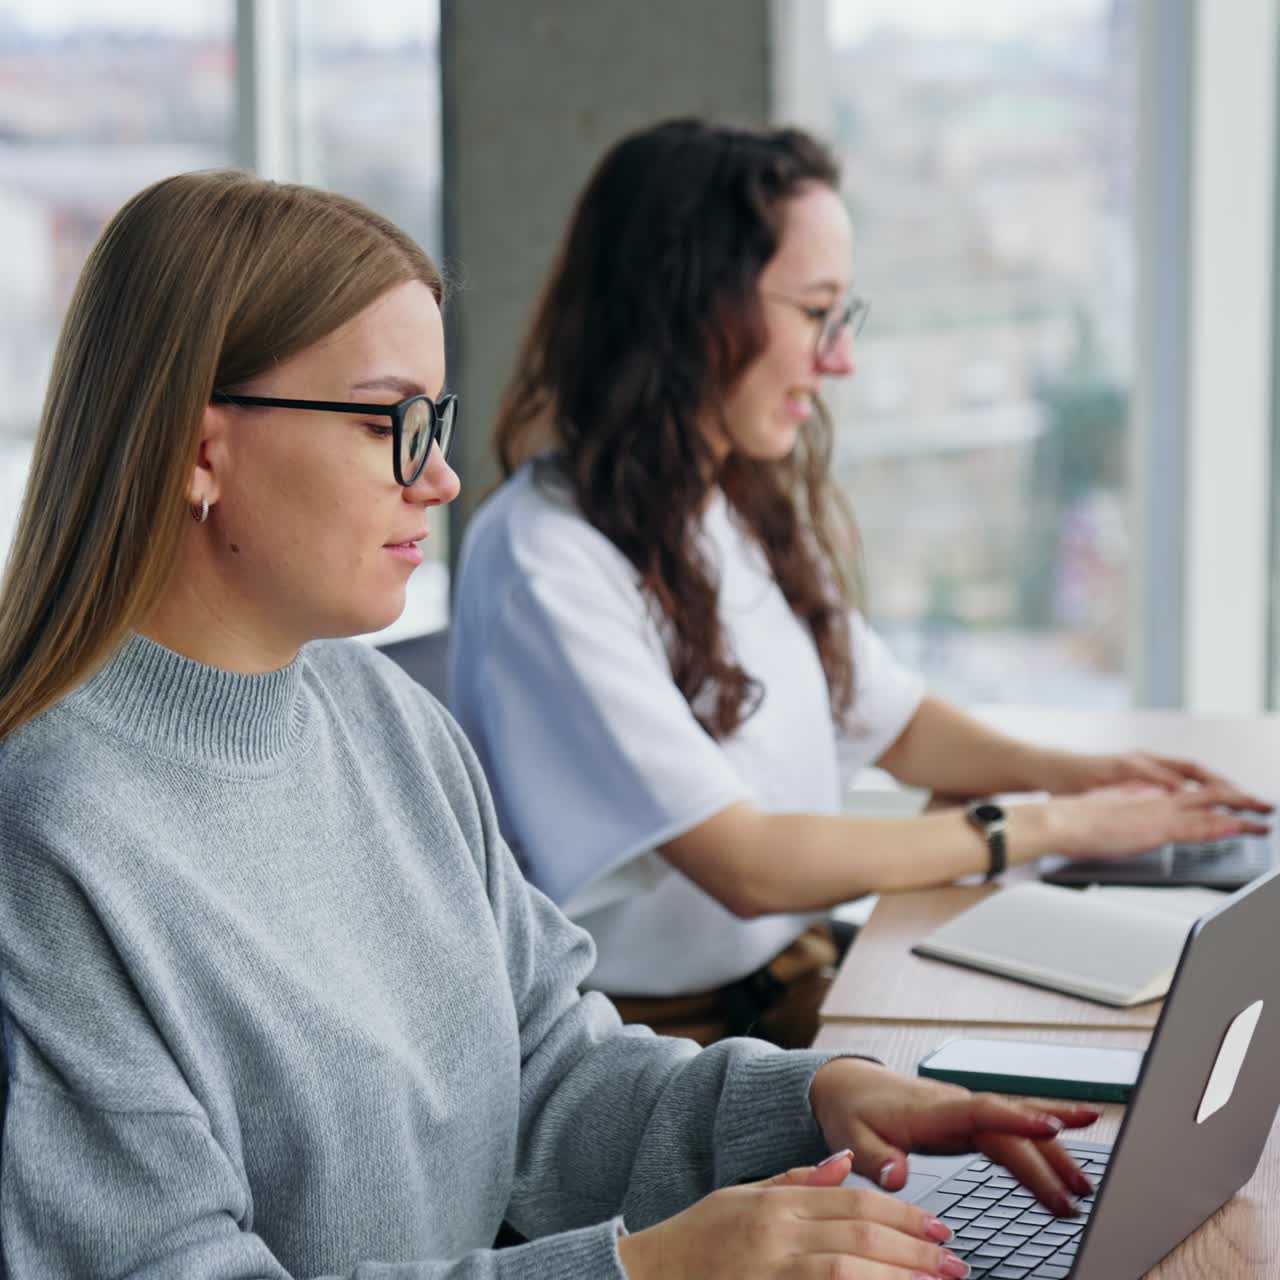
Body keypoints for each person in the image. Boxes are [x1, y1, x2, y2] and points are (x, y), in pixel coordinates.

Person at [0, 168, 1107, 1280]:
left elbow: (552, 1074)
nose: (437, 477)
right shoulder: (51, 834)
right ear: (204, 449)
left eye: (433, 421)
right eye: (392, 420)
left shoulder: (388, 721)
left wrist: (818, 1096)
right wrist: (642, 1270)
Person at [449, 117, 1270, 1047]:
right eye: (814, 312)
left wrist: (1097, 782)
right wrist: (1047, 824)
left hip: (784, 986)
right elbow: (749, 864)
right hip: (652, 1045)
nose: (839, 359)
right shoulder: (544, 558)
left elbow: (897, 721)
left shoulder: (724, 504)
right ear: (692, 307)